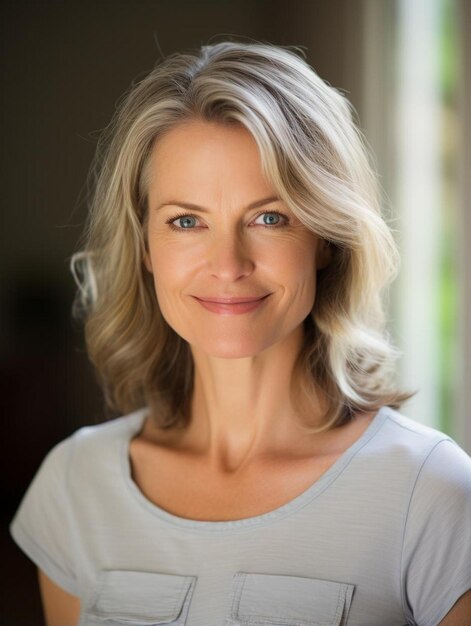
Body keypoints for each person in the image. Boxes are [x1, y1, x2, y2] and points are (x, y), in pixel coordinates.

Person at [9, 40, 471, 626]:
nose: (227, 264)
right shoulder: (76, 488)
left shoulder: (432, 495)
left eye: (269, 217)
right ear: (146, 247)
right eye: (186, 221)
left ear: (326, 238)